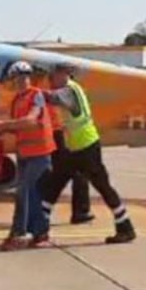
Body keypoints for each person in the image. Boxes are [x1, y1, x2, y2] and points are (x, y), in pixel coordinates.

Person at [40, 62, 136, 244]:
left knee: (102, 186)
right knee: (55, 183)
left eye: (51, 77)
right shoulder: (74, 88)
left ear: (63, 74)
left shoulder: (68, 91)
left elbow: (51, 98)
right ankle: (40, 227)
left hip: (86, 148)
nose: (49, 81)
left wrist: (29, 90)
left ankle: (126, 227)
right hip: (76, 148)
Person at [0, 60, 57, 250]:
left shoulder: (36, 96)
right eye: (17, 78)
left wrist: (5, 125)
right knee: (32, 194)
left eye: (23, 77)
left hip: (40, 153)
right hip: (24, 153)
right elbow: (19, 127)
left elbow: (30, 121)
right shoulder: (16, 100)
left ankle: (19, 234)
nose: (21, 81)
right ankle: (39, 234)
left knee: (25, 194)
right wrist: (2, 130)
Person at [38, 71, 93, 224]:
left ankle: (42, 211)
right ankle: (78, 212)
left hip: (61, 135)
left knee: (63, 175)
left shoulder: (60, 91)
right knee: (69, 175)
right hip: (62, 136)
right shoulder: (70, 89)